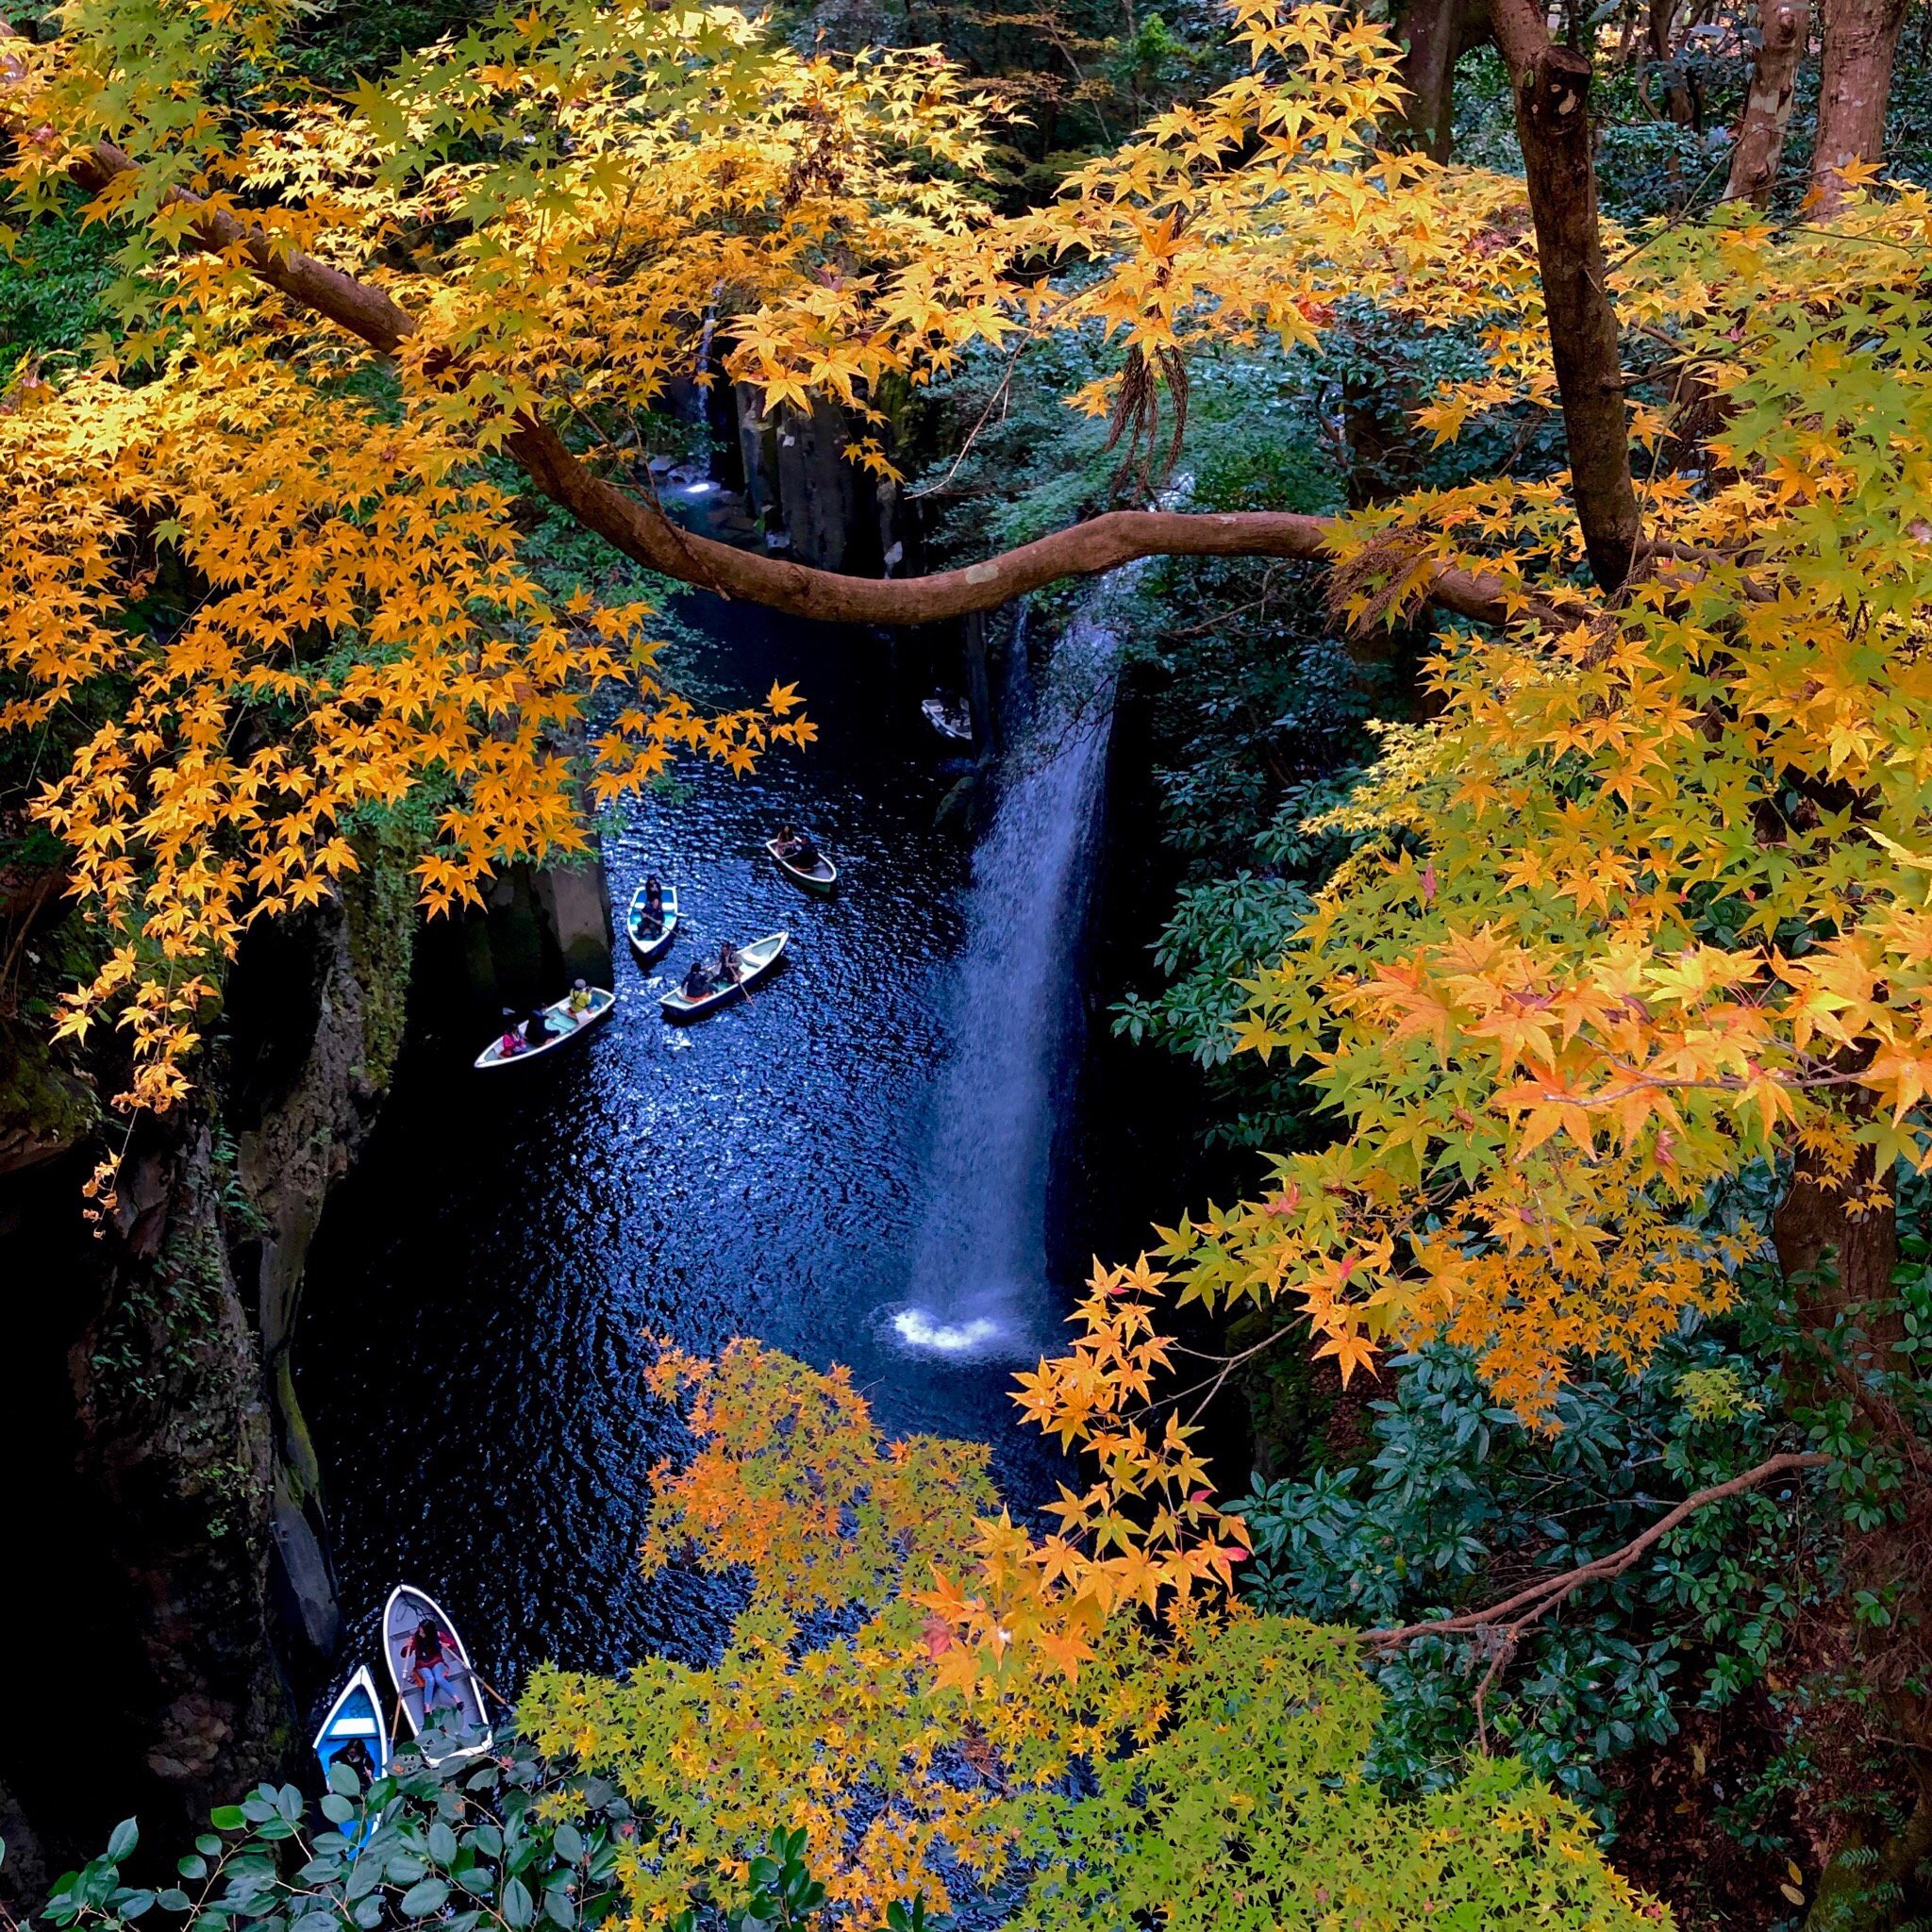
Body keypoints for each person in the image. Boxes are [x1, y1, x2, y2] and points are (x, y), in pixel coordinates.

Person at [404, 1616, 465, 1726]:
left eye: (422, 1631)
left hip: (436, 1661)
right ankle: (427, 1707)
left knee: (439, 1678)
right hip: (422, 1663)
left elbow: (452, 1643)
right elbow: (404, 1654)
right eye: (420, 1630)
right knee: (430, 1680)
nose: (420, 1633)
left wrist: (448, 1645)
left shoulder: (438, 1635)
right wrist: (406, 1647)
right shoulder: (416, 1639)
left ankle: (458, 1700)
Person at [640, 874, 665, 938]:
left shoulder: (657, 884)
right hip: (650, 899)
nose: (652, 882)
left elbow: (660, 892)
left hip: (657, 898)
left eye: (653, 880)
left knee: (658, 913)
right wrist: (652, 890)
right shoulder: (647, 885)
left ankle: (657, 929)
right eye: (651, 880)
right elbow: (648, 892)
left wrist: (656, 890)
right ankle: (645, 924)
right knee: (648, 910)